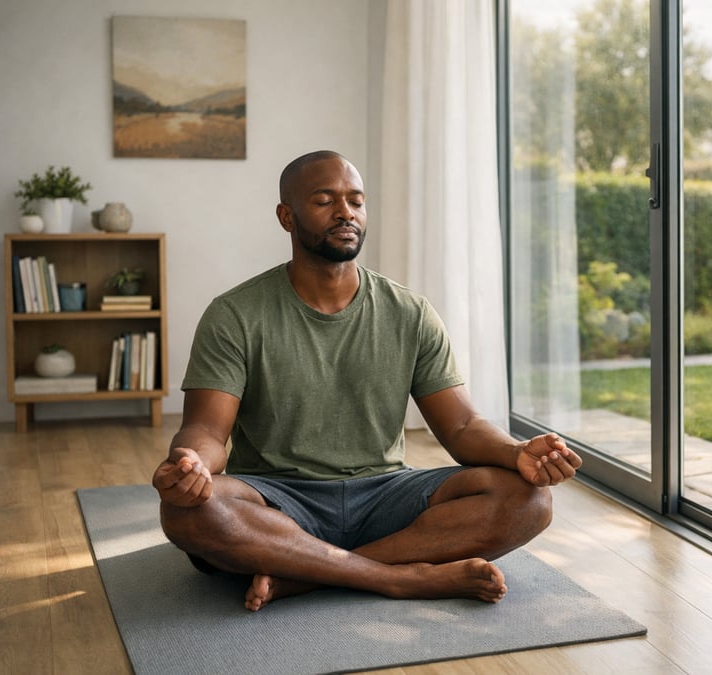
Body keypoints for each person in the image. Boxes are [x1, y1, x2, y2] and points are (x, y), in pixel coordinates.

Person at [152, 150, 582, 611]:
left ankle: (305, 575)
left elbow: (461, 428)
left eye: (356, 201)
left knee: (529, 500)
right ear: (286, 216)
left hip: (385, 495)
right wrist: (191, 464)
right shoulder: (234, 315)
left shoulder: (410, 313)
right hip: (278, 499)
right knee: (189, 511)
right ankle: (398, 578)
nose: (345, 213)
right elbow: (208, 431)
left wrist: (517, 453)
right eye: (324, 200)